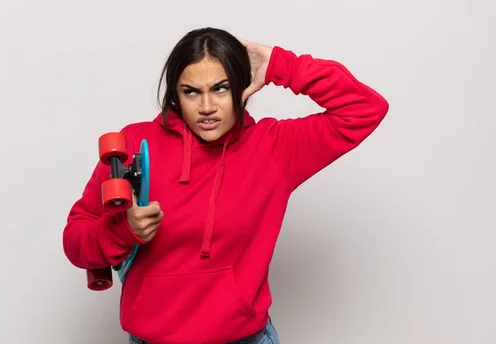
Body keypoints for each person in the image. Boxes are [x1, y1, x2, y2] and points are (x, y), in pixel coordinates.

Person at [62, 27, 389, 344]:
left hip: (245, 339)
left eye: (221, 88)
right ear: (175, 93)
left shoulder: (273, 149)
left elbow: (364, 109)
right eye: (191, 91)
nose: (207, 107)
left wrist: (280, 64)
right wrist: (123, 230)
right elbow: (76, 240)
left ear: (241, 87)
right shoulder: (135, 142)